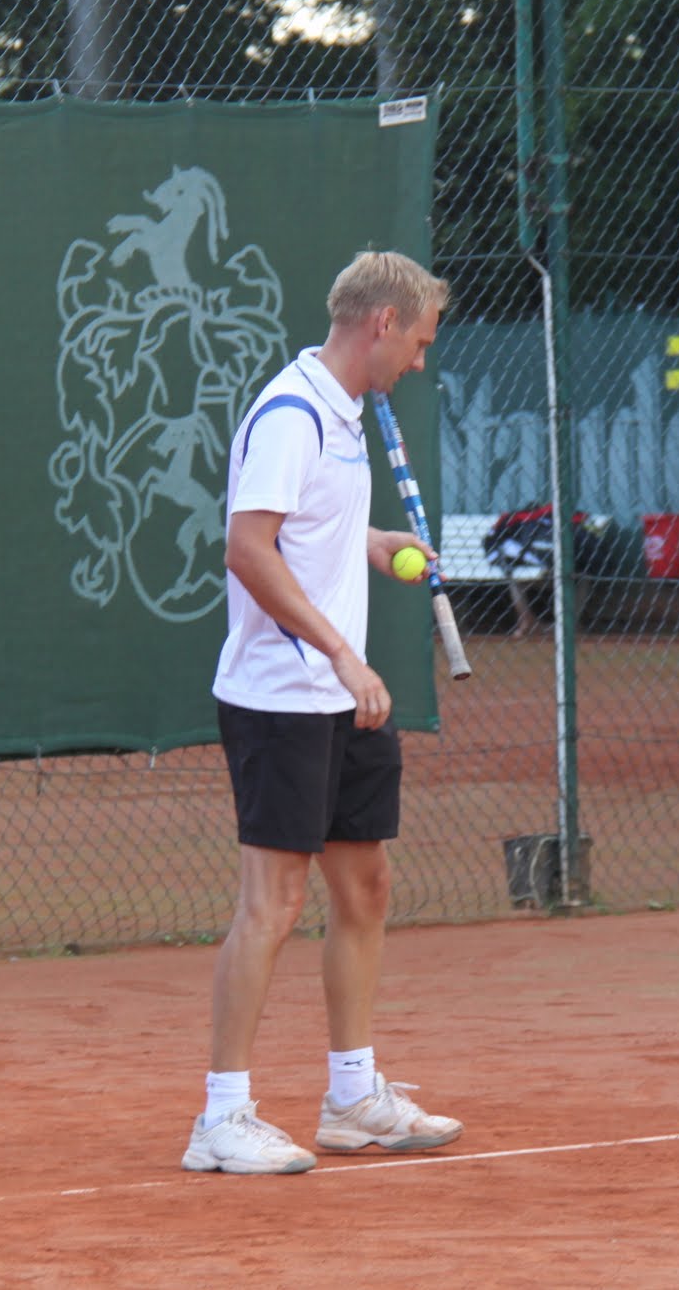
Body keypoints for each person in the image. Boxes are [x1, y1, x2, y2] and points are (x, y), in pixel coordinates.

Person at [181, 250, 466, 1176]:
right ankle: (222, 1118)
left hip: (343, 700)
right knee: (273, 904)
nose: (419, 360)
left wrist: (371, 543)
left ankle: (351, 1099)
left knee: (365, 886)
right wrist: (342, 652)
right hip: (282, 696)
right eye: (418, 342)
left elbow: (304, 527)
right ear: (383, 323)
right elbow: (248, 549)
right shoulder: (291, 415)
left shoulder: (344, 415)